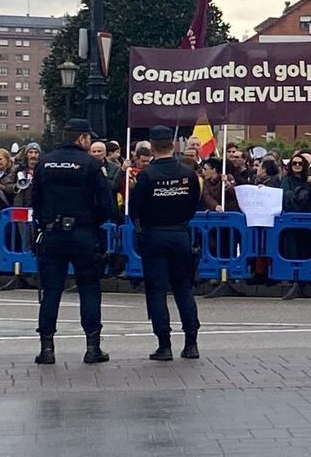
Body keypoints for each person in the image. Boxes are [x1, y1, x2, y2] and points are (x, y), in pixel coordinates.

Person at [30, 119, 114, 365]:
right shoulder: (91, 164)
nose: (90, 142)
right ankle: (92, 347)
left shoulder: (45, 162)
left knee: (51, 291)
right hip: (83, 234)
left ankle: (46, 349)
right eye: (88, 138)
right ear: (81, 139)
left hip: (52, 233)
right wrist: (92, 221)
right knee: (89, 289)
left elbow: (36, 200)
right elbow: (106, 203)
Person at [129, 126, 202, 361]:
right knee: (183, 288)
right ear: (173, 144)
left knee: (157, 291)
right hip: (180, 233)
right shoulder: (188, 173)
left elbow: (134, 210)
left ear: (151, 146)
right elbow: (193, 205)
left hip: (154, 234)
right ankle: (191, 343)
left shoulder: (146, 175)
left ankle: (164, 344)